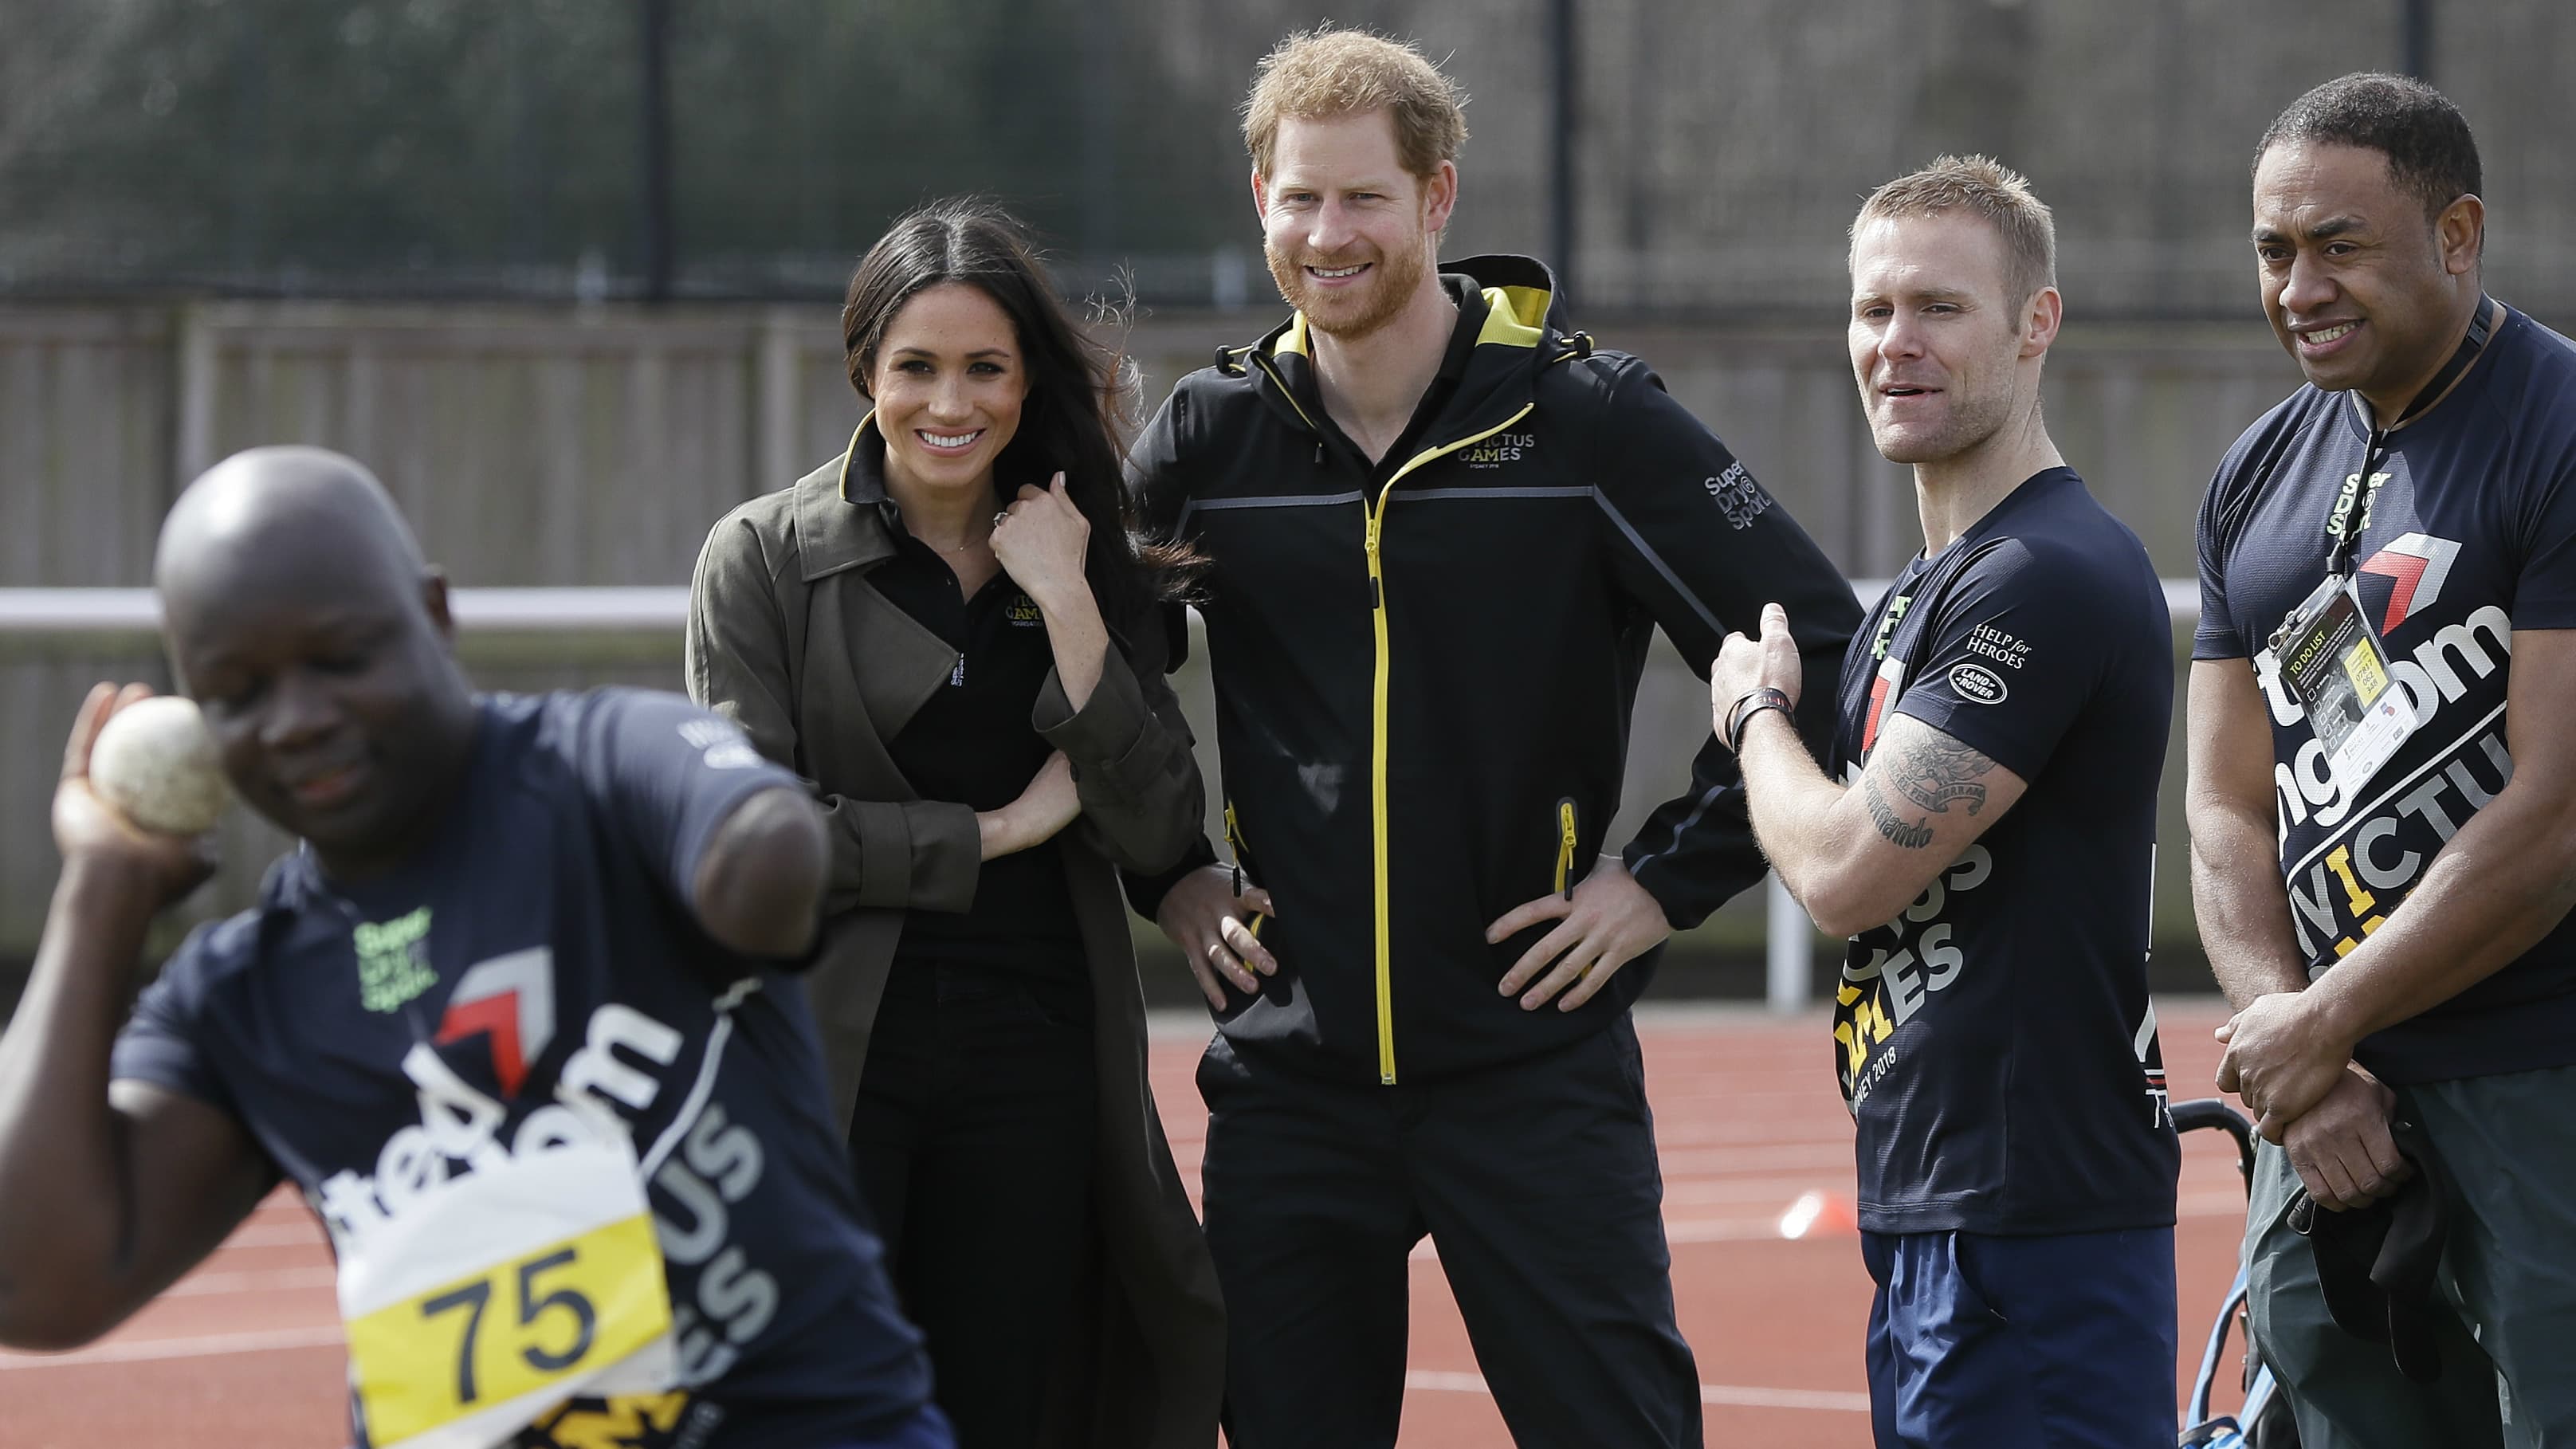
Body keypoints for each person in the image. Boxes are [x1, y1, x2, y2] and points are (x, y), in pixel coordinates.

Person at [1121, 29, 1860, 1448]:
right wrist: (1170, 874)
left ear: (1437, 199)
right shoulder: (1212, 437)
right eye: (1297, 200)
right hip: (1292, 1076)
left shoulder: (1587, 420)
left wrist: (1657, 883)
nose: (1327, 236)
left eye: (1362, 200)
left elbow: (1812, 638)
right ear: (1258, 202)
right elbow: (1099, 681)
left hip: (1531, 1065)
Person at [0, 446, 949, 1449]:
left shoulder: (595, 769)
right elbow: (31, 1282)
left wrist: (758, 875)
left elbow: (764, 842)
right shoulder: (246, 997)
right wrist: (102, 888)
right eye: (238, 693)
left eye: (341, 658)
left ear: (436, 614)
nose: (297, 721)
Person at [684, 198, 1222, 1449]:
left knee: (1004, 1406)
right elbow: (750, 845)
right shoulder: (758, 558)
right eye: (916, 366)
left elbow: (1159, 829)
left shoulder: (1084, 551)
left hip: (1037, 1057)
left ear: (1029, 379)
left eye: (986, 368)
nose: (950, 403)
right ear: (865, 366)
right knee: (818, 1408)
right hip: (826, 1058)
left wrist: (1073, 603)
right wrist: (987, 834)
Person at [1708, 155, 2181, 1448]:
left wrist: (1753, 712)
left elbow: (1848, 868)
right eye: (1871, 311)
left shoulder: (2048, 573)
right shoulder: (1924, 594)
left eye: (1938, 308)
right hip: (1938, 1211)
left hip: (2034, 1235)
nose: (1893, 343)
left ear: (2037, 324)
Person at [2192, 73, 2576, 1446]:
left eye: (2339, 244)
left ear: (2456, 236)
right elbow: (2223, 806)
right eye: (2273, 250)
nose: (2299, 284)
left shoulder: (2559, 426)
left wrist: (2320, 1020)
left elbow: (2551, 822)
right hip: (2325, 1101)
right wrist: (2291, 1047)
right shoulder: (2252, 472)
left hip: (2540, 1073)